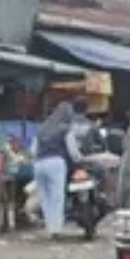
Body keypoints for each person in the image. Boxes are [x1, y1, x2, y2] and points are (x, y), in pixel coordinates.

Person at [32, 96, 88, 238]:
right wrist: (81, 159)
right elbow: (73, 152)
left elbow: (32, 151)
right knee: (57, 197)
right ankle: (56, 230)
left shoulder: (42, 129)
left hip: (39, 164)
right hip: (56, 163)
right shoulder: (65, 129)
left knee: (45, 198)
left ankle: (50, 228)